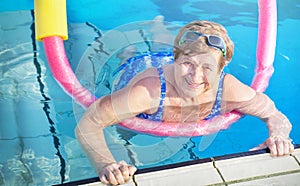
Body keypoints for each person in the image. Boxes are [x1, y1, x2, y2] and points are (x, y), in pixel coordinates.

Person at [75, 20, 294, 185]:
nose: (195, 77)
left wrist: (278, 136)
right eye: (187, 63)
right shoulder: (147, 92)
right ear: (176, 58)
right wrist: (105, 163)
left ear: (221, 68)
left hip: (172, 66)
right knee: (125, 133)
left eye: (207, 67)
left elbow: (275, 115)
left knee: (173, 43)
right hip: (136, 70)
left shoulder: (230, 90)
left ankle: (157, 25)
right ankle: (128, 51)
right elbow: (88, 124)